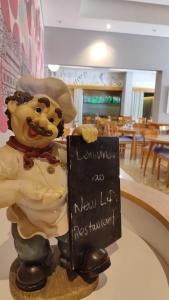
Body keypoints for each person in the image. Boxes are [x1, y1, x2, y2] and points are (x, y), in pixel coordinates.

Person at [0, 76, 110, 292]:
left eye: (52, 120)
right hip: (29, 221)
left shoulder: (56, 151)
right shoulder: (6, 157)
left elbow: (83, 159)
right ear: (13, 106)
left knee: (73, 241)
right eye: (38, 110)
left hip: (64, 215)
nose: (43, 123)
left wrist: (82, 138)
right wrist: (21, 189)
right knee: (31, 251)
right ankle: (35, 264)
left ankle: (76, 257)